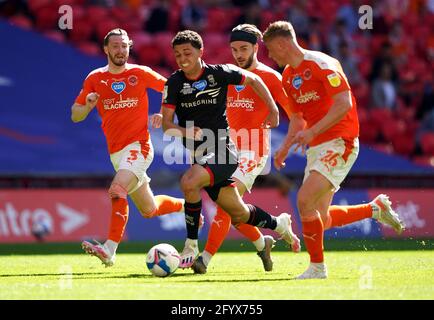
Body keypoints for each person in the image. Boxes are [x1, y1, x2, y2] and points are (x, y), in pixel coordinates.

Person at [263, 21, 405, 279]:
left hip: (341, 140)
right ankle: (375, 209)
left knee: (304, 200)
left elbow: (343, 103)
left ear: (283, 44)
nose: (270, 56)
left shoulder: (321, 63)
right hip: (317, 146)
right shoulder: (287, 77)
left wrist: (314, 131)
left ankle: (317, 268)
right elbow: (297, 119)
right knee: (321, 218)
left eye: (271, 50)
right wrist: (284, 147)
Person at [161, 30, 299, 269]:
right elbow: (166, 125)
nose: (183, 58)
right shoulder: (174, 82)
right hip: (203, 153)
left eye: (188, 53)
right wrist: (184, 132)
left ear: (200, 52)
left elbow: (267, 90)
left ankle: (195, 251)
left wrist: (275, 112)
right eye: (177, 54)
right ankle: (278, 226)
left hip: (236, 149)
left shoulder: (222, 73)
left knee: (190, 181)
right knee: (238, 213)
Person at [71, 28, 184, 267]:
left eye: (124, 46)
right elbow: (75, 115)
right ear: (106, 49)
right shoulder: (95, 78)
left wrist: (164, 114)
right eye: (115, 46)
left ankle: (109, 249)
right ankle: (188, 205)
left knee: (116, 190)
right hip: (116, 153)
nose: (121, 50)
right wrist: (88, 106)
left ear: (129, 47)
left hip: (139, 146)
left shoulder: (139, 73)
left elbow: (172, 87)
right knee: (149, 209)